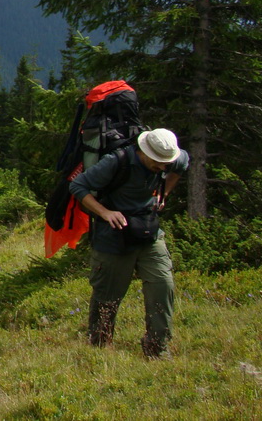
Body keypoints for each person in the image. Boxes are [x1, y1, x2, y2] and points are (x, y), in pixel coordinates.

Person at [69, 128, 190, 358]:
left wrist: (164, 195)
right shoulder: (116, 162)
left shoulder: (172, 159)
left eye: (167, 163)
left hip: (149, 233)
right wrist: (105, 213)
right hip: (113, 238)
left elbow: (182, 165)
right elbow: (77, 186)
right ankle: (99, 349)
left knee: (162, 286)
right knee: (107, 297)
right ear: (144, 152)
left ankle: (157, 349)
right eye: (158, 163)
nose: (164, 168)